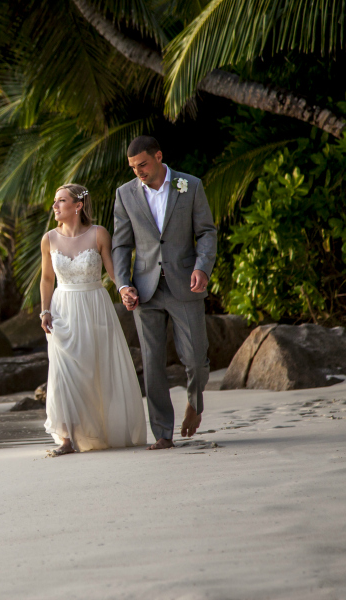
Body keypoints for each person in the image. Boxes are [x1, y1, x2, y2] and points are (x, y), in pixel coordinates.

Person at [112, 136, 217, 450]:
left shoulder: (187, 185)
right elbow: (121, 244)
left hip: (184, 283)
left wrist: (202, 267)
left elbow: (206, 232)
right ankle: (162, 434)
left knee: (196, 359)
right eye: (133, 168)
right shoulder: (125, 194)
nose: (138, 172)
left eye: (143, 164)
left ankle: (194, 404)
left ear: (158, 156)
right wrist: (122, 284)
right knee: (152, 363)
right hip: (145, 289)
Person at [39, 183, 147, 457]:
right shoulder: (48, 239)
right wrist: (44, 310)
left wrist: (125, 290)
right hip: (62, 310)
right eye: (55, 201)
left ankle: (96, 430)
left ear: (77, 206)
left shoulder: (99, 234)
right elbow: (47, 278)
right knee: (63, 374)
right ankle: (66, 439)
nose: (55, 206)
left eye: (61, 201)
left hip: (94, 307)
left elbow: (112, 271)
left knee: (93, 371)